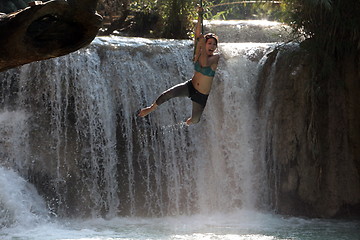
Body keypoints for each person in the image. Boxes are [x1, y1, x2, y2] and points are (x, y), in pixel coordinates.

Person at [138, 7, 220, 125]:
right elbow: (197, 35)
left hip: (201, 95)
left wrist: (201, 43)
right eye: (209, 43)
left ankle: (189, 122)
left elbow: (204, 63)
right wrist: (200, 15)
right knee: (169, 93)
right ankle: (150, 108)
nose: (212, 46)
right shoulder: (198, 53)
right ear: (205, 44)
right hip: (191, 86)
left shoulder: (216, 57)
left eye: (214, 44)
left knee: (195, 120)